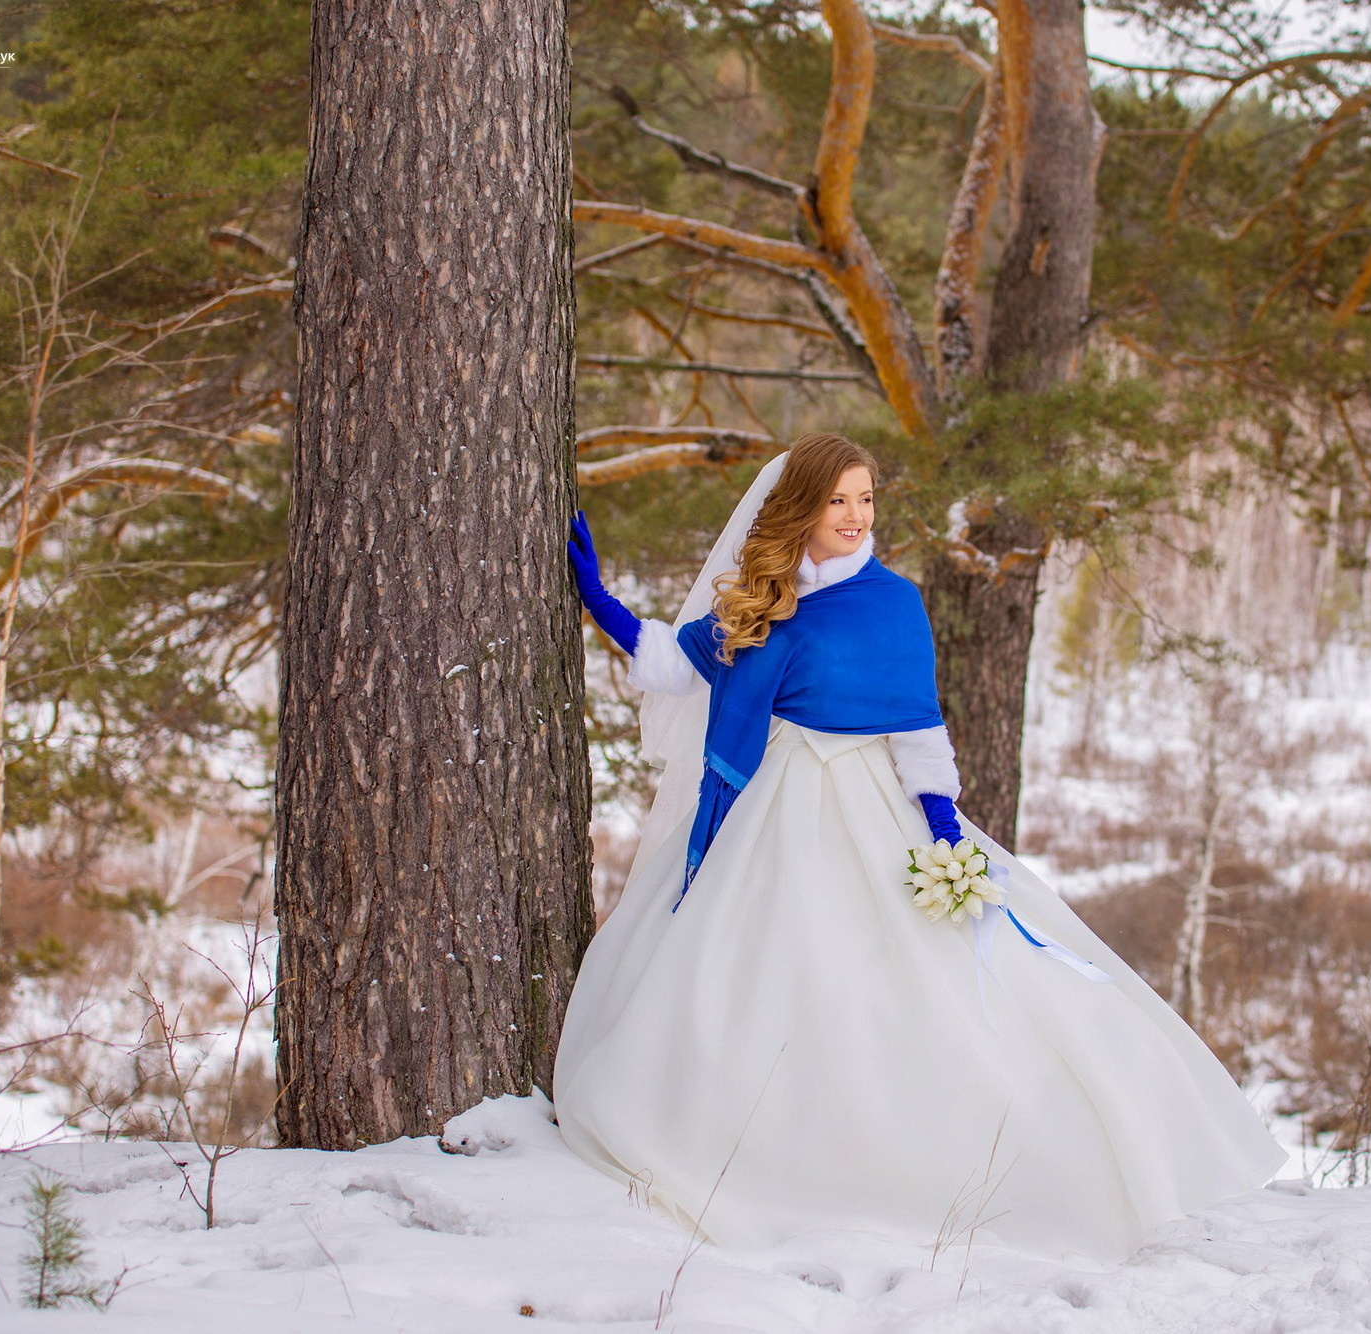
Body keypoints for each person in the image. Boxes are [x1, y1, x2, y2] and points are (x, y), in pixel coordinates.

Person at [551, 433, 1286, 1262]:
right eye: (837, 500)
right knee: (746, 972)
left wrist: (941, 827)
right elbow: (675, 669)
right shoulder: (761, 598)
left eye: (866, 499)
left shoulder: (895, 603)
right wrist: (598, 599)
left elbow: (918, 725)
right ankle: (741, 1139)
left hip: (872, 805)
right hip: (771, 806)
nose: (855, 516)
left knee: (896, 979)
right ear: (801, 507)